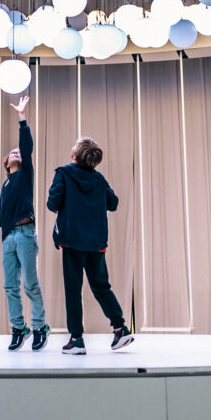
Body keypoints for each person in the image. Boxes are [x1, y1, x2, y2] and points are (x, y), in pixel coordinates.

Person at [47, 137, 133, 355]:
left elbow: (52, 203)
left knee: (73, 291)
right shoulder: (99, 179)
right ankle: (120, 328)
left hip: (72, 240)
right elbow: (113, 203)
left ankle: (76, 339)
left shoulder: (64, 173)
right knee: (101, 286)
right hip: (95, 243)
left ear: (75, 154)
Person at [0, 96, 49, 351]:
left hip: (26, 233)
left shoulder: (25, 175)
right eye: (12, 153)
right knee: (10, 285)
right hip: (9, 236)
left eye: (18, 152)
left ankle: (40, 326)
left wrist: (22, 118)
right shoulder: (6, 185)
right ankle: (19, 328)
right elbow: (4, 213)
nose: (16, 152)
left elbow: (26, 146)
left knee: (30, 283)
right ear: (7, 164)